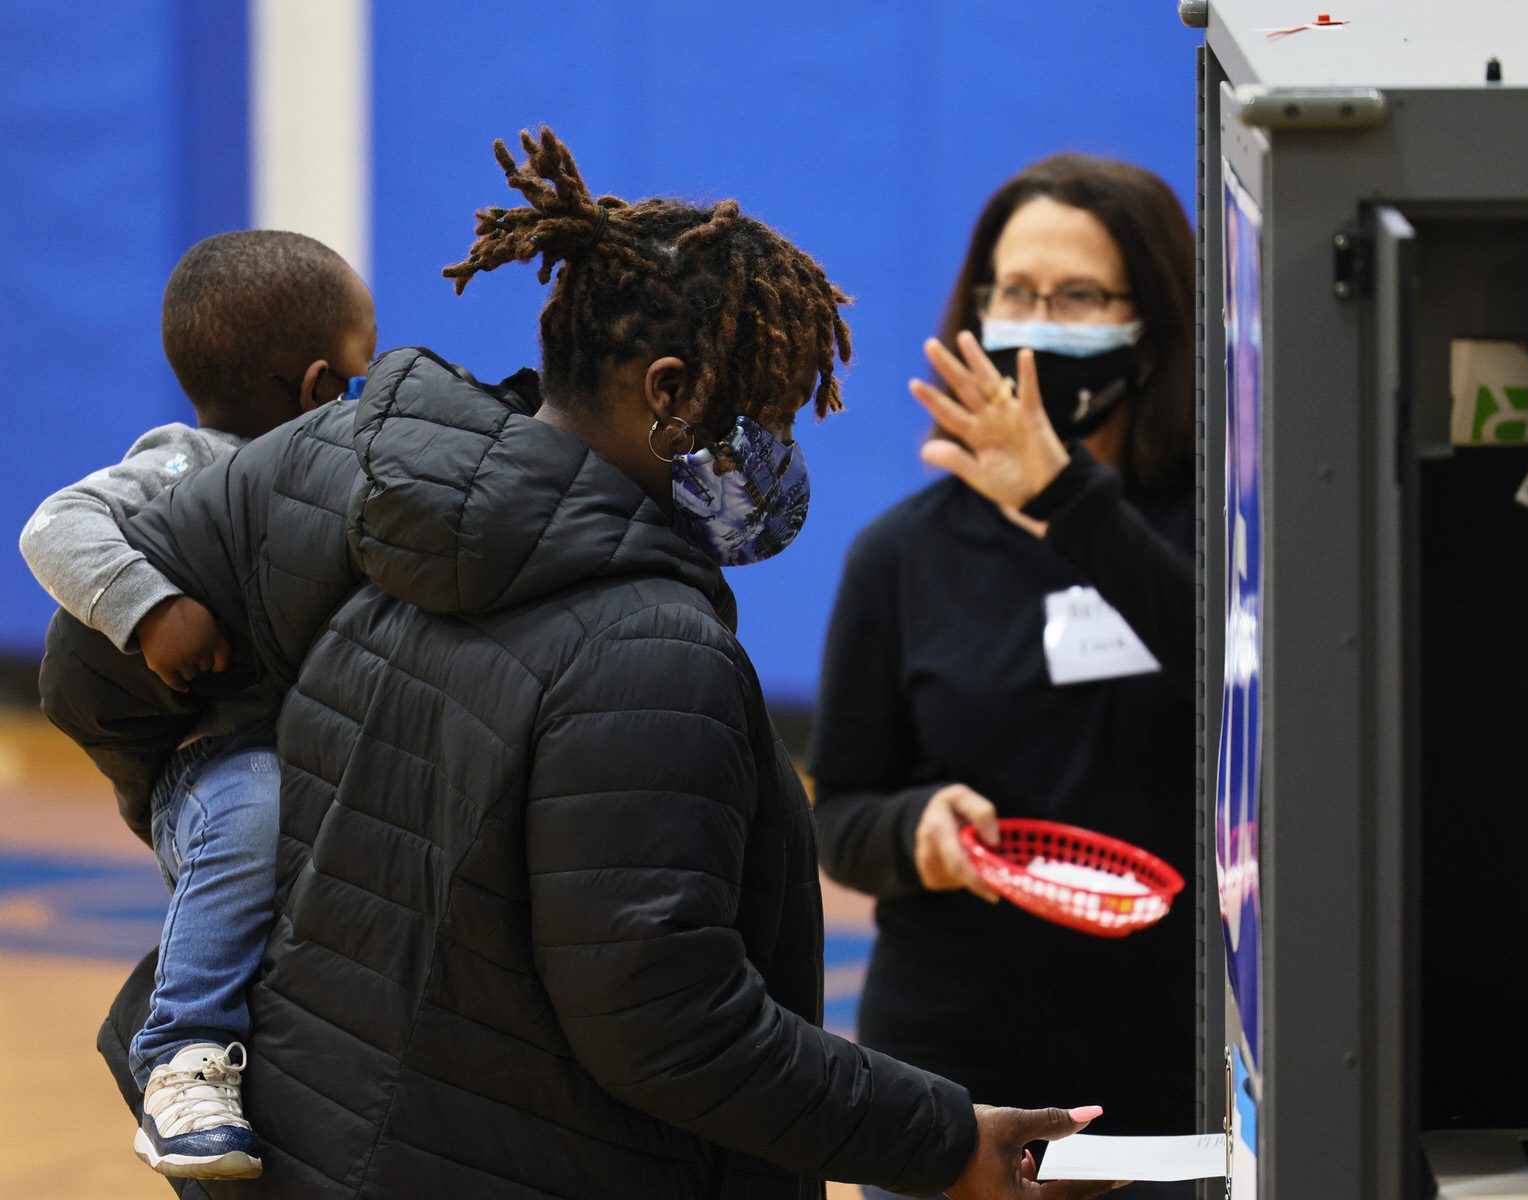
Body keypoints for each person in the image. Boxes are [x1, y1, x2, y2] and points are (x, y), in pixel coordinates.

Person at [37, 128, 1119, 1200]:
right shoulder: (654, 655)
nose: (770, 452)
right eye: (759, 412)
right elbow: (669, 1024)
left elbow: (88, 668)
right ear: (666, 391)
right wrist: (942, 1142)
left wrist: (203, 796)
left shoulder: (346, 473)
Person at [808, 153, 1199, 1200]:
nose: (1038, 322)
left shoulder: (1221, 526)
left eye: (1077, 297)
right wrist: (915, 835)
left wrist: (1073, 501)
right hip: (947, 1088)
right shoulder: (902, 555)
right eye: (1014, 293)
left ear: (1152, 324)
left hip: (1170, 1078)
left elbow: (1246, 690)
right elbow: (838, 806)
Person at [18, 230, 376, 1180]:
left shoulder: (351, 481)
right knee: (257, 804)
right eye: (362, 369)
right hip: (215, 764)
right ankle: (181, 1053)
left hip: (324, 758)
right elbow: (54, 526)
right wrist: (151, 610)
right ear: (316, 389)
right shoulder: (189, 464)